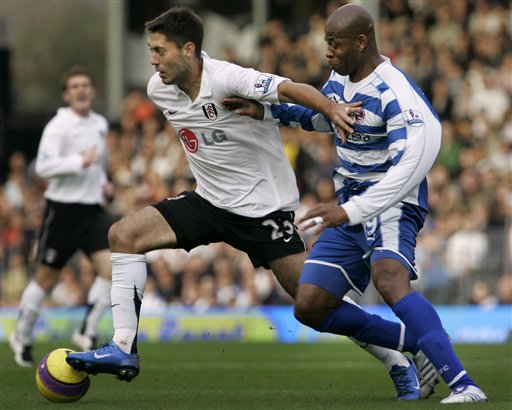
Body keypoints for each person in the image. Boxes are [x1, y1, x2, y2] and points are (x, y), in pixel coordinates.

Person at [66, 6, 434, 401]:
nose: (152, 60)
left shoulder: (228, 78)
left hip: (264, 211)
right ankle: (123, 346)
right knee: (123, 234)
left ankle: (398, 355)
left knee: (316, 304)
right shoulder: (159, 89)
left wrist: (330, 108)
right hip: (208, 202)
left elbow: (291, 88)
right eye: (150, 50)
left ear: (189, 49)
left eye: (159, 51)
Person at [226, 3, 487, 405]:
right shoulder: (338, 80)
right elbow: (322, 118)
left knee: (389, 279)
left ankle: (464, 385)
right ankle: (417, 344)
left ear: (361, 42)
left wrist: (351, 210)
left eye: (335, 43)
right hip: (349, 206)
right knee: (309, 304)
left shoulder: (394, 92)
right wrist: (266, 111)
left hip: (393, 204)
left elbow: (408, 170)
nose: (327, 51)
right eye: (325, 42)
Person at [9, 66, 113, 366]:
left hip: (92, 210)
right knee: (46, 279)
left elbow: (99, 163)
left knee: (111, 268)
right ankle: (23, 335)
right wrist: (79, 161)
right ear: (67, 95)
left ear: (92, 92)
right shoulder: (58, 126)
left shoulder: (100, 124)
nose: (81, 90)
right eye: (75, 86)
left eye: (86, 85)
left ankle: (87, 331)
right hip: (63, 210)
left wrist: (102, 181)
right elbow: (42, 168)